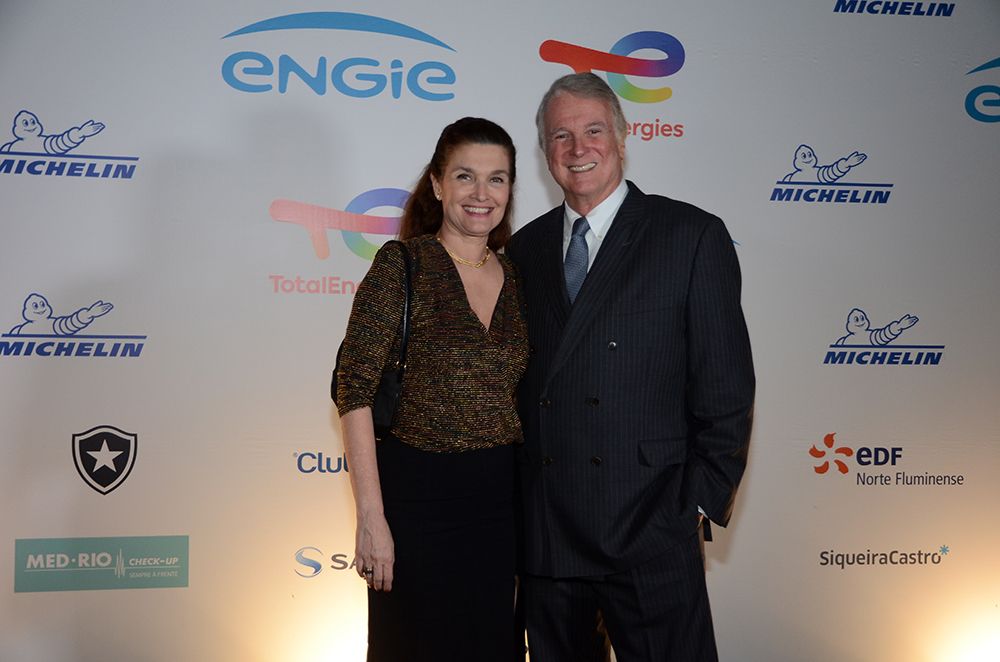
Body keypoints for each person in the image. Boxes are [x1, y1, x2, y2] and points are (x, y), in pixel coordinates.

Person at [506, 73, 755, 661]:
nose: (577, 148)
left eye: (593, 131)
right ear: (544, 152)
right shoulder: (523, 250)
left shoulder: (689, 235)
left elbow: (726, 386)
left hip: (650, 526)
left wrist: (696, 503)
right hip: (551, 536)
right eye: (560, 136)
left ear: (621, 137)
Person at [335, 117, 528, 662]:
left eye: (496, 179)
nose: (481, 193)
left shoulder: (518, 278)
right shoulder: (402, 265)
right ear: (439, 185)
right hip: (416, 506)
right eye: (465, 176)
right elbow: (353, 390)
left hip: (500, 509)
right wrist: (371, 518)